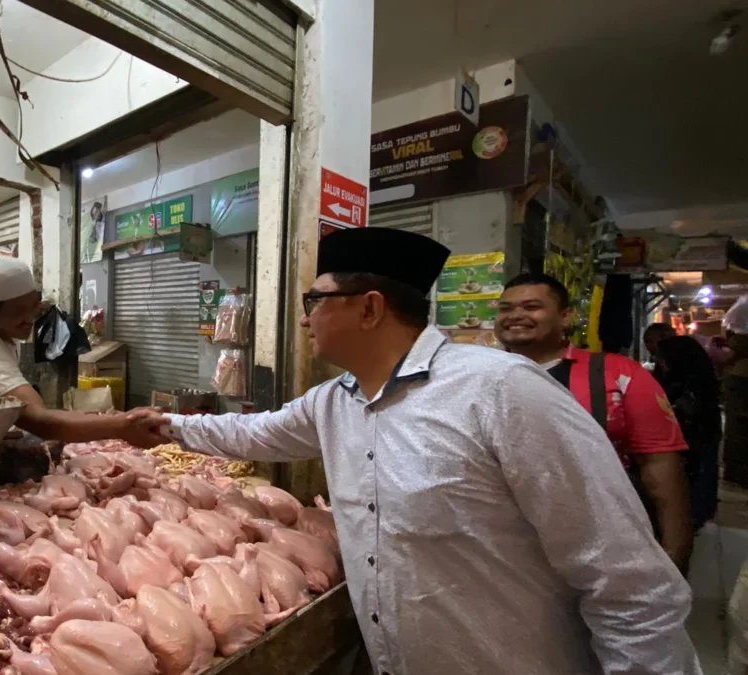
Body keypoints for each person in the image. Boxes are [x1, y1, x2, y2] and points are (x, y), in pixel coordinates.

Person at [133, 227, 698, 674]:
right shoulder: (334, 401)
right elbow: (251, 435)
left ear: (369, 308)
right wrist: (161, 424)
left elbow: (627, 580)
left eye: (316, 299)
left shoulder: (501, 391)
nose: (305, 317)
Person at [497, 273, 693, 572]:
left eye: (531, 306)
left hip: (599, 546)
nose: (515, 316)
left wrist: (674, 555)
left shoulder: (617, 373)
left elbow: (660, 467)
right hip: (504, 549)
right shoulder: (475, 374)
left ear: (566, 317)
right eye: (506, 309)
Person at [0, 256, 161, 448]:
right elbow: (41, 422)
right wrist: (120, 427)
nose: (29, 319)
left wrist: (110, 419)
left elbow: (37, 408)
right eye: (17, 311)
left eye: (34, 308)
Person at [655, 335, 722, 529]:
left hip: (693, 451)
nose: (659, 363)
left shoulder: (685, 390)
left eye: (662, 358)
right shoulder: (703, 384)